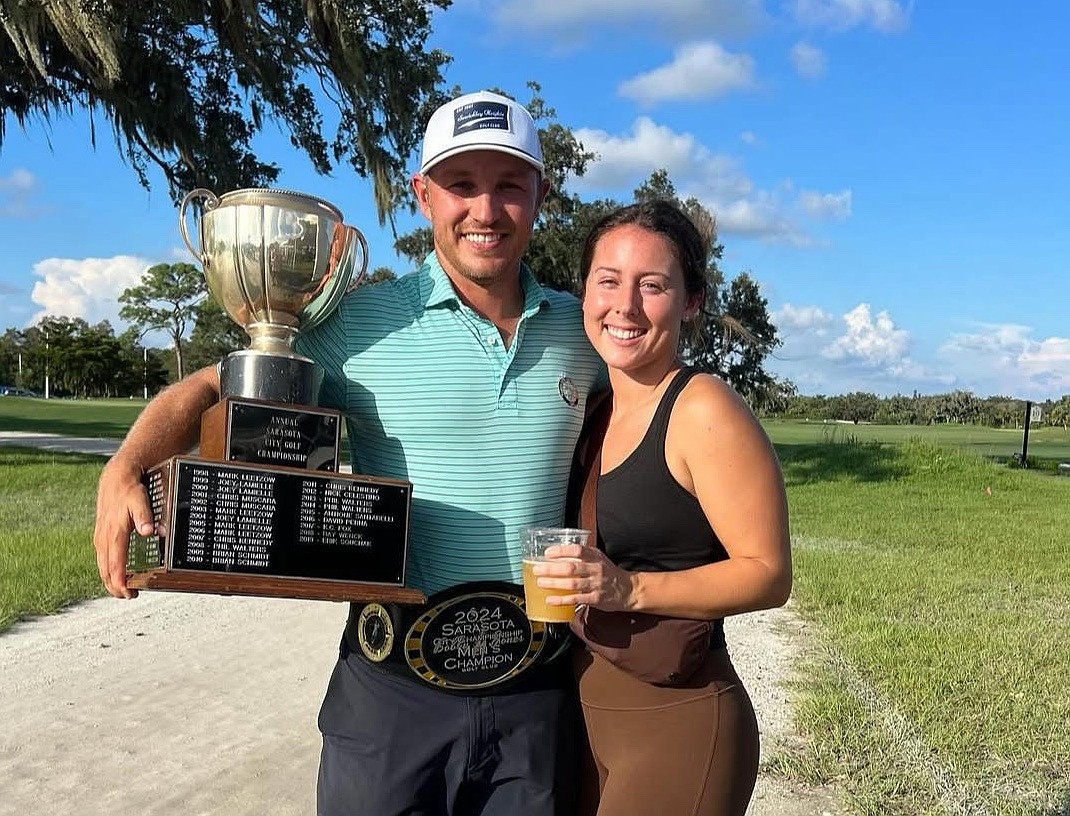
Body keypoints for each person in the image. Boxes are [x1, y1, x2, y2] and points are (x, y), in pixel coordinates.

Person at [93, 90, 606, 816]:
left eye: (508, 186)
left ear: (540, 197)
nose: (485, 211)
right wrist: (123, 466)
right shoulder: (358, 322)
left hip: (536, 698)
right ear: (425, 196)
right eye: (461, 185)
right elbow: (213, 387)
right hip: (392, 701)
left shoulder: (582, 334)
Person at [531, 200, 793, 816]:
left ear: (691, 301)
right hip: (586, 713)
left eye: (652, 286)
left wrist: (629, 590)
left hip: (679, 719)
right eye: (609, 281)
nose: (625, 306)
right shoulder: (594, 409)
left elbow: (767, 573)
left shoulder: (702, 409)